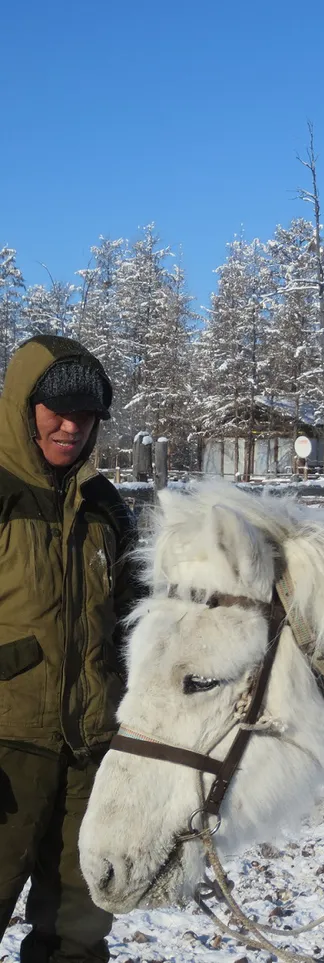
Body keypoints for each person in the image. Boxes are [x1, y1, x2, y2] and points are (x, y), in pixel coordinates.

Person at [0, 336, 141, 961]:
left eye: (85, 415)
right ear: (22, 404)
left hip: (90, 757)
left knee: (79, 933)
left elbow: (140, 619)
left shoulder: (106, 507)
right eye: (56, 409)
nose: (70, 426)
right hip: (6, 754)